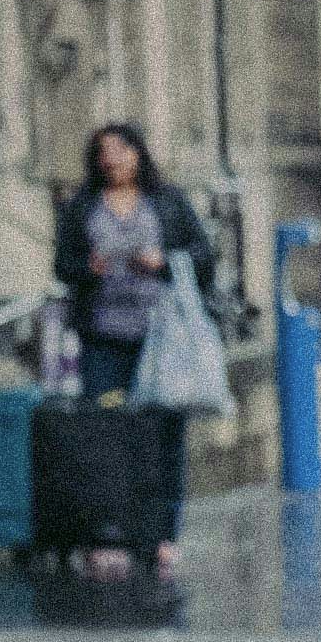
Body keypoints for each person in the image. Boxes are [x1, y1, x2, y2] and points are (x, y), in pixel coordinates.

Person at [50, 121, 213, 576]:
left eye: (121, 149)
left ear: (139, 153)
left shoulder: (168, 201)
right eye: (103, 151)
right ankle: (106, 534)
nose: (112, 158)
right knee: (102, 434)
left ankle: (161, 535)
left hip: (162, 338)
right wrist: (88, 268)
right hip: (103, 337)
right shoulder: (83, 206)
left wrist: (163, 263)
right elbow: (62, 265)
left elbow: (204, 256)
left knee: (164, 435)